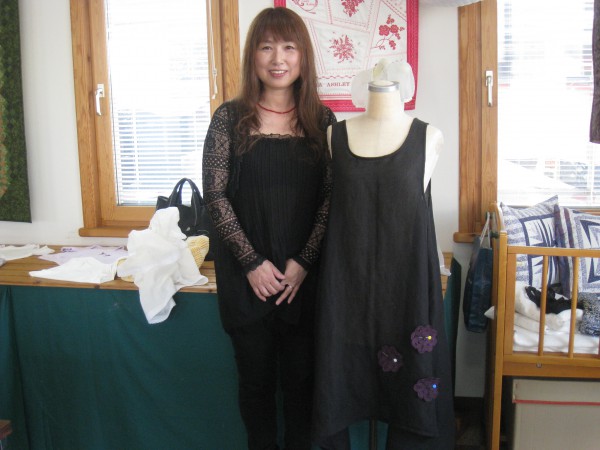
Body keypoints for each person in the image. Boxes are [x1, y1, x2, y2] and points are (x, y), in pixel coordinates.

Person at [202, 7, 336, 450]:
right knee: (256, 386)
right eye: (266, 47)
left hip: (304, 282)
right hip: (247, 282)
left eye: (289, 47)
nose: (278, 59)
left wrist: (304, 262)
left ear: (303, 56)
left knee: (303, 388)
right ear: (253, 56)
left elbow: (332, 199)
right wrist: (252, 263)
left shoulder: (323, 121)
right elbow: (215, 196)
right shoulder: (229, 118)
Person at [312, 79, 455, 449]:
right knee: (342, 376)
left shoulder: (429, 137)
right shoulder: (335, 136)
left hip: (406, 287)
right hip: (347, 286)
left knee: (411, 383)